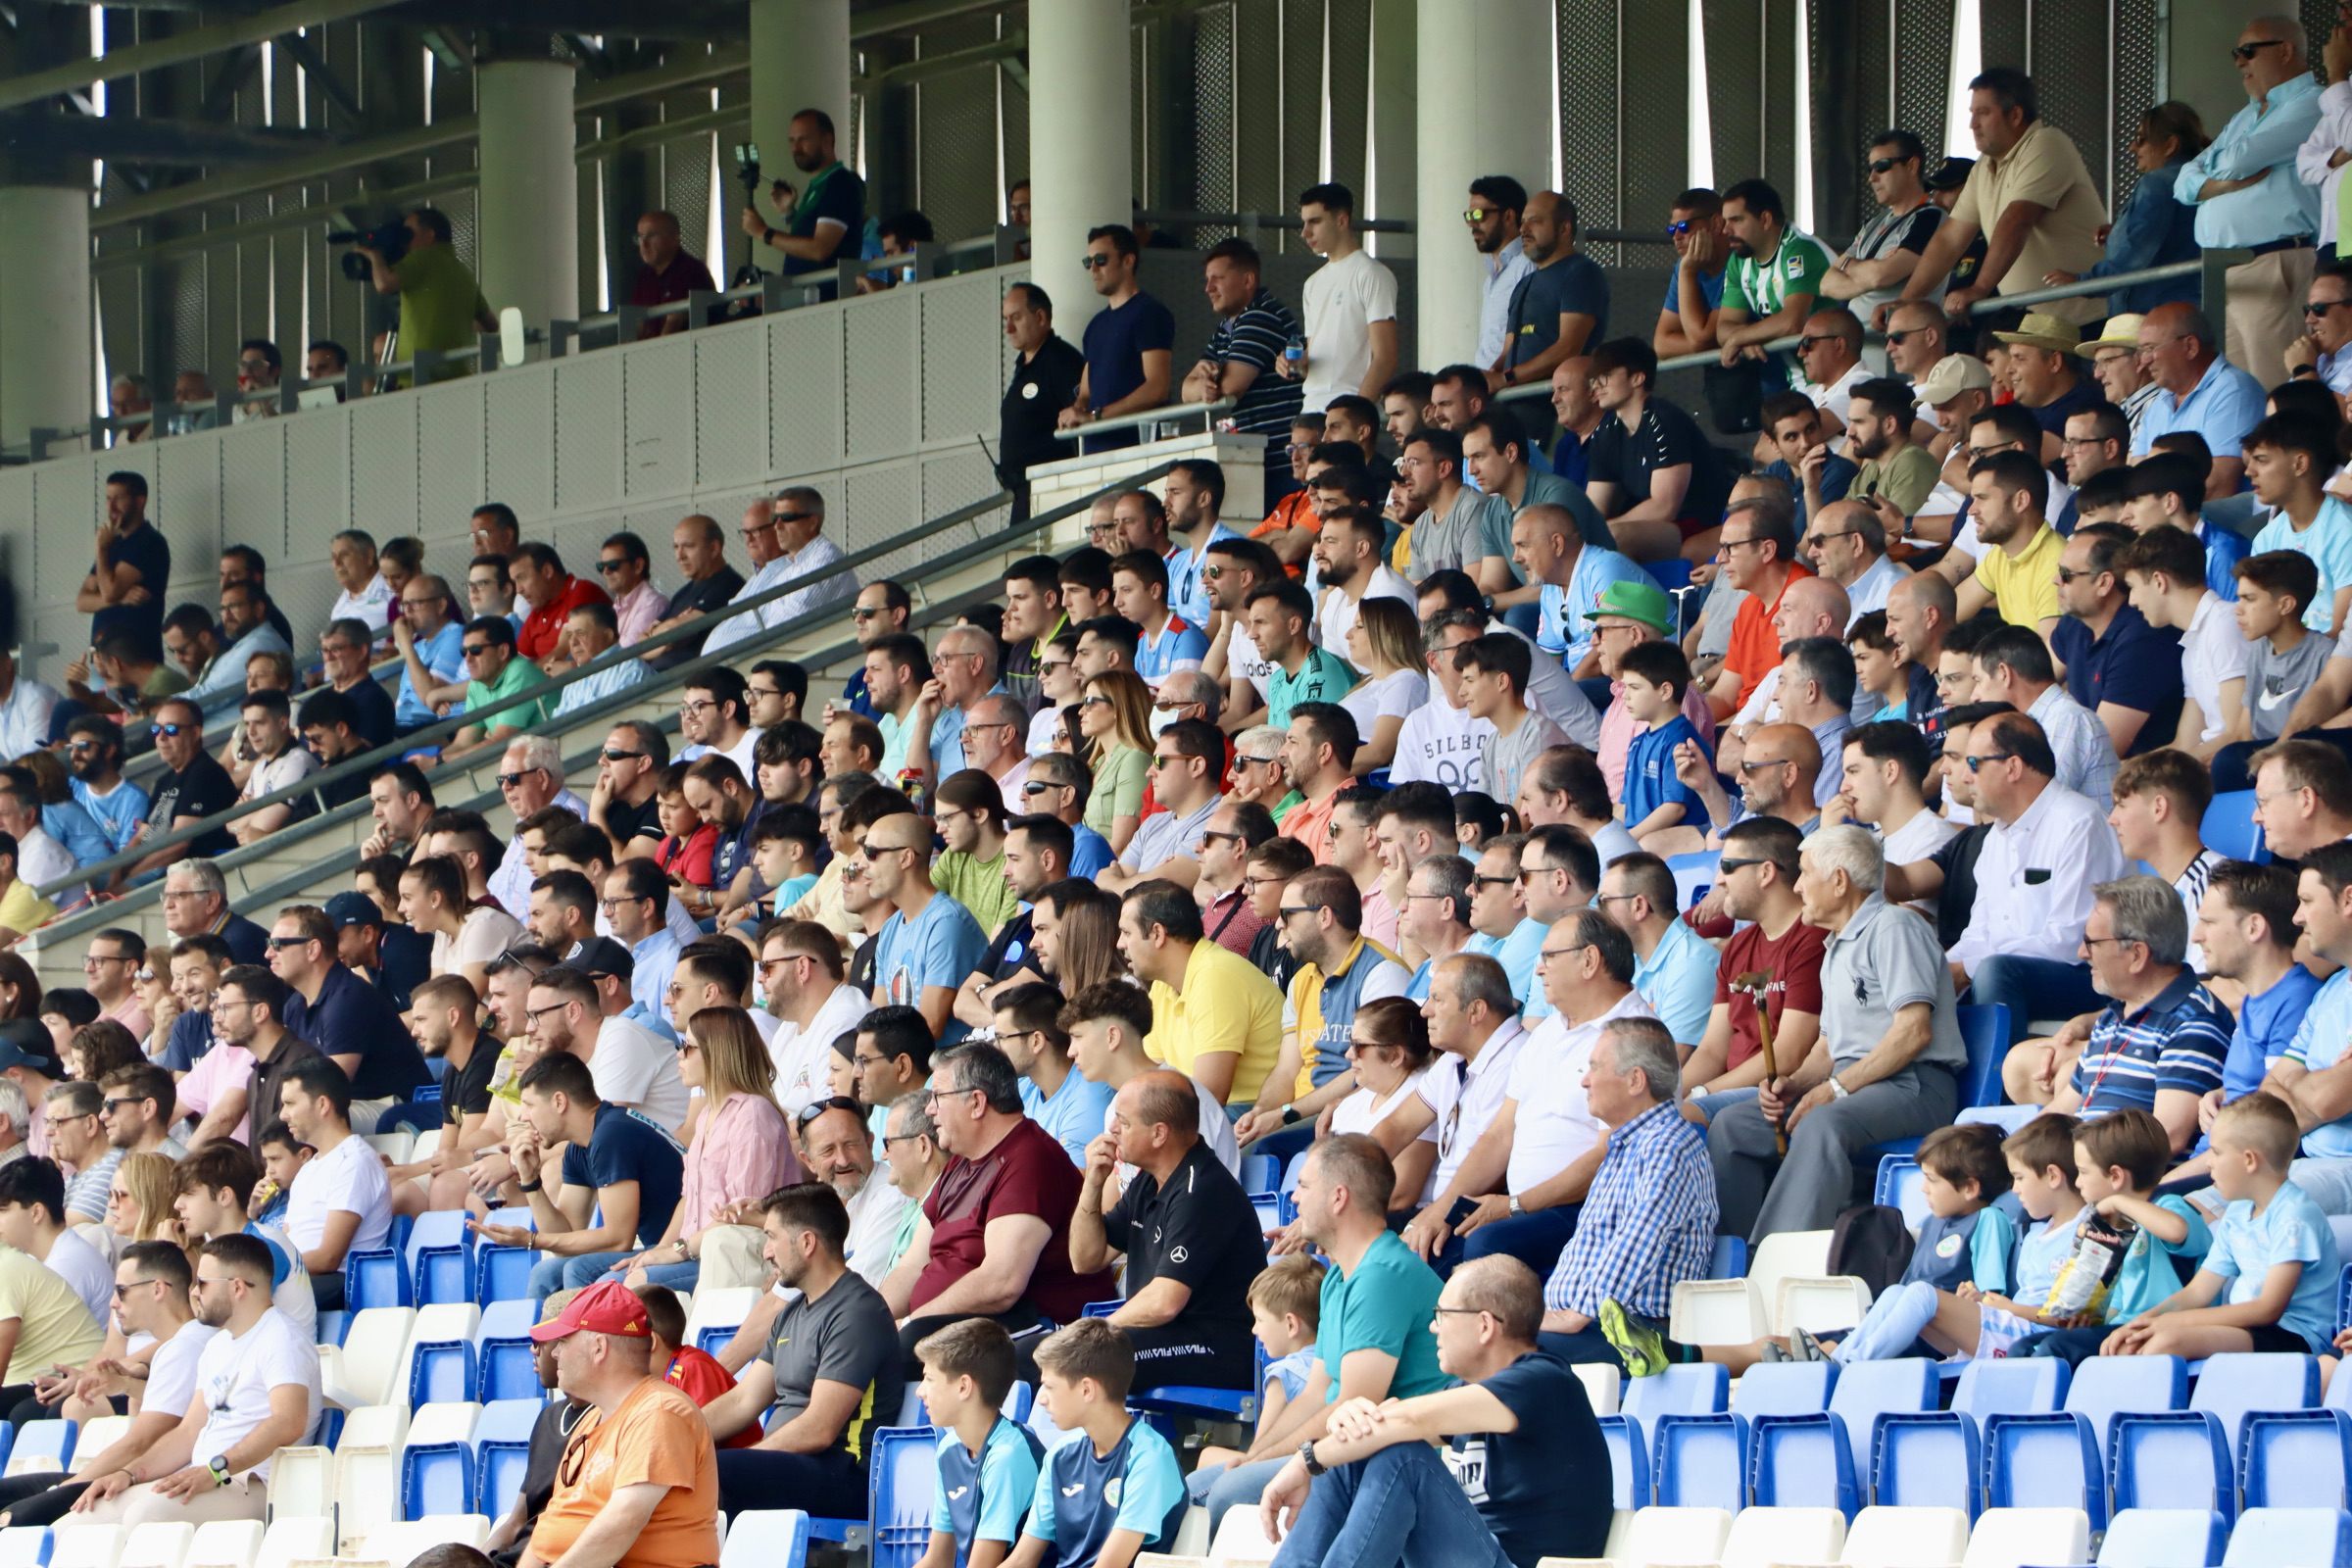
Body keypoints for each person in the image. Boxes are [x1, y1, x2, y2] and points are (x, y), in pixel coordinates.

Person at [1258, 1254, 1610, 1568]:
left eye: (1441, 1314)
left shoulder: (1543, 1381)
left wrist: (1306, 1459)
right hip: (1470, 1553)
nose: (1433, 1327)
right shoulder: (1467, 1393)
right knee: (1355, 1455)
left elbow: (1409, 1422)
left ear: (1485, 1325)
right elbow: (1384, 1427)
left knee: (1404, 1459)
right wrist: (1344, 1425)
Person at [1710, 826, 1967, 1243]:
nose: (1796, 886)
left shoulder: (1894, 926)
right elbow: (1827, 1048)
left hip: (1914, 1084)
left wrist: (1834, 1089)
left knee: (1821, 1124)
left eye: (1804, 873)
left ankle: (1773, 1261)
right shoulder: (1835, 948)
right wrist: (1793, 1085)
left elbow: (1913, 1032)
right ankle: (1729, 1256)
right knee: (1732, 1124)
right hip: (1858, 1086)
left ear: (1839, 880)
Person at [59, 1234, 317, 1529]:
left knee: (145, 1517)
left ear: (237, 1287)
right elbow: (188, 1431)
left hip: (257, 1483)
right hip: (208, 1479)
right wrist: (129, 1473)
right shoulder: (218, 1346)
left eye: (203, 1283)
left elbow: (288, 1422)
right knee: (72, 1523)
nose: (193, 1292)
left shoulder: (282, 1338)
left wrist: (215, 1470)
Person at [884, 1044, 1115, 1362]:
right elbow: (912, 1265)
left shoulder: (1029, 1159)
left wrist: (914, 1322)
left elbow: (1001, 1282)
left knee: (896, 1351)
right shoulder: (959, 1163)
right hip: (967, 1326)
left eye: (938, 1097)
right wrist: (869, 1322)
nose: (929, 1110)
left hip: (1044, 1329)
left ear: (977, 1102)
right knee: (861, 1345)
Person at [692, 1183, 903, 1513]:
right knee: (676, 1463)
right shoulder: (792, 1311)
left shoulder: (858, 1312)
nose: (766, 1251)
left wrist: (748, 1457)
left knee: (711, 1473)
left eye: (772, 1237)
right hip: (791, 1465)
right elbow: (742, 1400)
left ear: (807, 1243)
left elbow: (819, 1429)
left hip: (842, 1470)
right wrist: (677, 1434)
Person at [1536, 1017, 1717, 1374]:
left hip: (1636, 1335)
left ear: (1636, 1080)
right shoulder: (1628, 1146)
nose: (1585, 1080)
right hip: (1591, 1327)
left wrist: (1578, 1314)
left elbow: (1639, 1240)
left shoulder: (1669, 1146)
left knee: (1499, 1355)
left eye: (1594, 1067)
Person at [1070, 1069, 1265, 1391]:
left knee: (1090, 1357)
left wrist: (1093, 1330)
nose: (1112, 1130)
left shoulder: (1202, 1189)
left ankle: (1126, 1444)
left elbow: (1164, 1302)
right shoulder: (1148, 1180)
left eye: (1124, 1122)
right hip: (1169, 1335)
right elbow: (1086, 1259)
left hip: (1217, 1345)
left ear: (1159, 1134)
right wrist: (1092, 1183)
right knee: (1036, 1355)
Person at [2110, 1093, 2339, 1359]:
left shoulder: (2295, 1215)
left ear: (2249, 1160)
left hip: (2295, 1336)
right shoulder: (2237, 1213)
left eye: (2217, 1152)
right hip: (2251, 1329)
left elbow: (2268, 1309)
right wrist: (2139, 1324)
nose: (2209, 1162)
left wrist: (2174, 1323)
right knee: (2130, 1346)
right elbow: (2198, 1292)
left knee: (2166, 1344)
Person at [1948, 710, 2132, 1039]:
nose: (1965, 777)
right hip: (2015, 973)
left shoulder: (2078, 822)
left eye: (1974, 764)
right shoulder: (1994, 839)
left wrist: (1969, 967)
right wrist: (1939, 971)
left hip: (2092, 974)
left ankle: (1998, 1089)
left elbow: (2069, 942)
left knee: (1993, 971)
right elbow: (1978, 933)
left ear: (2013, 767)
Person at [518, 1278, 720, 1568]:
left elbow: (621, 1523)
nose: (554, 1352)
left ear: (599, 1348)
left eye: (563, 1341)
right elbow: (552, 1524)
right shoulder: (591, 1418)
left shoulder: (659, 1412)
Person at [1893, 69, 2105, 327]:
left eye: (1983, 113)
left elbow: (2017, 220)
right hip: (2033, 328)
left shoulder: (2046, 142)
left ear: (2015, 115)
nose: (1973, 124)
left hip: (2085, 321)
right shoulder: (1983, 167)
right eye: (1972, 114)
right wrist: (1906, 302)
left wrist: (1980, 287)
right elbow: (1950, 239)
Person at [2178, 16, 2323, 387]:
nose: (2240, 61)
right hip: (2224, 273)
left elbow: (2240, 159)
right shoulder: (2245, 115)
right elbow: (2182, 181)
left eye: (2249, 51)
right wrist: (2219, 187)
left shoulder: (2314, 102)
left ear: (2287, 51)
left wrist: (2211, 171)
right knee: (2235, 393)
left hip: (2272, 263)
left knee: (2274, 384)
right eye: (2236, 53)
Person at [1117, 880, 1283, 1106]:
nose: (1119, 944)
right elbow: (1151, 1074)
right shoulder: (1162, 985)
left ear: (1157, 934)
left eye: (1126, 933)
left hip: (1249, 1114)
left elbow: (1209, 1096)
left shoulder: (1214, 975)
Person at [1583, 337, 1736, 566]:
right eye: (1595, 378)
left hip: (1700, 523)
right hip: (1664, 528)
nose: (1597, 385)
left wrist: (1604, 530)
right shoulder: (1605, 433)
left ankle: (1637, 603)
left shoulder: (1664, 420)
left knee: (1615, 537)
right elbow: (1594, 508)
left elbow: (1664, 507)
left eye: (1606, 375)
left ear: (1637, 378)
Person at [2051, 523, 2186, 760]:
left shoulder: (2143, 641)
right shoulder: (2075, 622)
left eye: (2066, 574)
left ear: (2104, 583)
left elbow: (2100, 752)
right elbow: (2031, 689)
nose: (2055, 580)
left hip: (2142, 781)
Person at [274, 1058, 390, 1311]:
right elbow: (287, 1238)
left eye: (290, 1103)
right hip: (300, 1279)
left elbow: (328, 1257)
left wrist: (268, 1269)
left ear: (323, 1104)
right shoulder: (309, 1168)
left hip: (337, 1284)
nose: (282, 1115)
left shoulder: (355, 1162)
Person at [1285, 183, 1399, 415]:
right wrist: (1296, 364)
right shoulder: (1312, 284)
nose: (1305, 232)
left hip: (1348, 406)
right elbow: (1320, 355)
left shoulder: (1371, 273)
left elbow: (1386, 356)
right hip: (1310, 408)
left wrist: (1355, 413)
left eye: (1315, 221)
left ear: (1341, 221)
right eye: (1304, 223)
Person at [1060, 225, 1174, 452]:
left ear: (1128, 260)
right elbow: (1085, 393)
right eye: (1088, 261)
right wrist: (1075, 412)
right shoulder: (1095, 326)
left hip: (1136, 449)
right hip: (1095, 450)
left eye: (1100, 259)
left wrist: (1097, 416)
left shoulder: (1149, 312)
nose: (1093, 268)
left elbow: (1157, 386)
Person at [2132, 304, 2268, 494]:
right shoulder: (2160, 400)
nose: (2144, 360)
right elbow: (2136, 476)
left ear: (2190, 347)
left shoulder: (2233, 390)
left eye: (2151, 349)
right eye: (2142, 351)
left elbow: (2218, 486)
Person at [353, 208, 496, 384]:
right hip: (455, 377)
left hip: (418, 375)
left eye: (409, 233)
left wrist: (375, 256)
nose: (404, 240)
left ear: (429, 235)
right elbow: (490, 325)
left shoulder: (422, 257)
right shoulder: (463, 272)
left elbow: (384, 284)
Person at [1822, 129, 1947, 319]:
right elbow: (1826, 284)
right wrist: (1868, 268)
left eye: (1881, 166)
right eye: (1869, 169)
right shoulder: (1874, 222)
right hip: (1858, 343)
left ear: (1912, 166)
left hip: (1898, 342)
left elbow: (1882, 276)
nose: (1872, 177)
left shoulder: (1930, 218)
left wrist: (1848, 267)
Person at [741, 108, 866, 291]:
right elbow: (811, 237)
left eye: (803, 139)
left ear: (827, 140)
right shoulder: (819, 185)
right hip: (807, 301)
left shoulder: (840, 183)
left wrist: (764, 233)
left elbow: (819, 249)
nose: (796, 148)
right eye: (792, 140)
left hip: (827, 302)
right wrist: (789, 214)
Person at [999, 286, 1087, 520]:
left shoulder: (1061, 361)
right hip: (1024, 492)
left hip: (1052, 492)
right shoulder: (1024, 365)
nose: (1008, 328)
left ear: (1040, 317)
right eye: (1005, 320)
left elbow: (1082, 419)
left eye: (1016, 318)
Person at [78, 472, 170, 662]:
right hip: (103, 659)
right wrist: (120, 600)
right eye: (108, 498)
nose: (111, 507)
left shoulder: (149, 542)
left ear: (140, 501)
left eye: (119, 498)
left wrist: (101, 549)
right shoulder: (113, 544)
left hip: (137, 658)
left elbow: (110, 591)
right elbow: (82, 601)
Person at [640, 514, 747, 672]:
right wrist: (670, 632)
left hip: (686, 684)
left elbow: (671, 632)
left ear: (714, 549)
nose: (680, 556)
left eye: (688, 546)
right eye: (676, 547)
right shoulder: (684, 592)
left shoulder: (728, 585)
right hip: (656, 678)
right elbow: (641, 643)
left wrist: (663, 631)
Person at [628, 211, 716, 338]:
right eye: (640, 237)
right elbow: (637, 321)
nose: (644, 245)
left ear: (674, 239)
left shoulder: (691, 271)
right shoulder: (644, 275)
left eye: (651, 236)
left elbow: (675, 321)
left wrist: (657, 353)